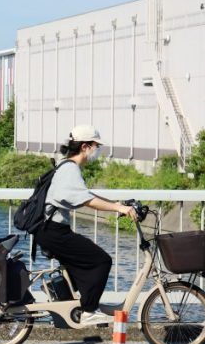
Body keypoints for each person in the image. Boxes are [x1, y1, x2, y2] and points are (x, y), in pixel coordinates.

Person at [35, 125, 137, 326]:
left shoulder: (67, 166)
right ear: (84, 146)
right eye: (95, 146)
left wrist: (117, 205)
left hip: (51, 230)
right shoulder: (70, 169)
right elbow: (86, 200)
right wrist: (119, 210)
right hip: (53, 231)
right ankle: (89, 310)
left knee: (84, 264)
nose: (97, 150)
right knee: (101, 261)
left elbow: (86, 195)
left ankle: (80, 305)